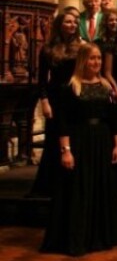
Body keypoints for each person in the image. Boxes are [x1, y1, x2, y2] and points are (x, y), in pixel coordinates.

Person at [40, 44, 117, 255]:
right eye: (92, 58)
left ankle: (98, 236)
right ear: (83, 61)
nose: (96, 62)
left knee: (98, 187)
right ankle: (78, 237)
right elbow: (63, 123)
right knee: (79, 188)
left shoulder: (106, 86)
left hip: (102, 141)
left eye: (99, 59)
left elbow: (115, 119)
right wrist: (65, 151)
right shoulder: (71, 87)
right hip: (79, 141)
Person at [30, 13, 83, 197]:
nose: (72, 24)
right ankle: (51, 183)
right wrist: (44, 101)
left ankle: (72, 181)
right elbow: (42, 80)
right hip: (55, 97)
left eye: (75, 22)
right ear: (60, 24)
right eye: (68, 21)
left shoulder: (80, 47)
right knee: (54, 139)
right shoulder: (48, 49)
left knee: (73, 137)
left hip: (75, 95)